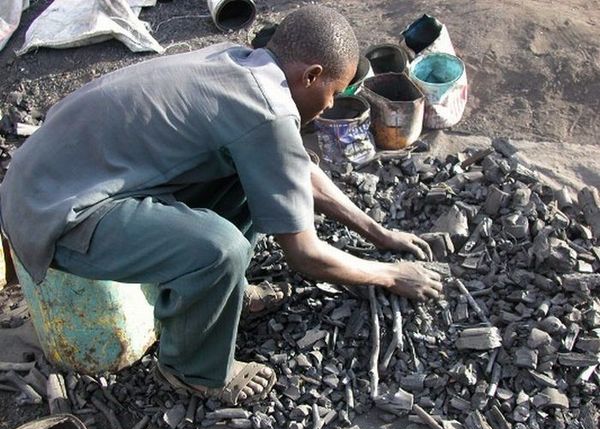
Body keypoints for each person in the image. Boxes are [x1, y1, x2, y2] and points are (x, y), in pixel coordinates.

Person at [0, 5, 442, 405]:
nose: (329, 106)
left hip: (64, 176)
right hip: (54, 214)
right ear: (310, 75)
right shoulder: (266, 109)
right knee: (220, 249)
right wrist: (388, 275)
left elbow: (293, 170)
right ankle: (193, 371)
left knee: (250, 176)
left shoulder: (241, 66)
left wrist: (377, 232)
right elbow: (306, 256)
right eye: (332, 93)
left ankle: (217, 297)